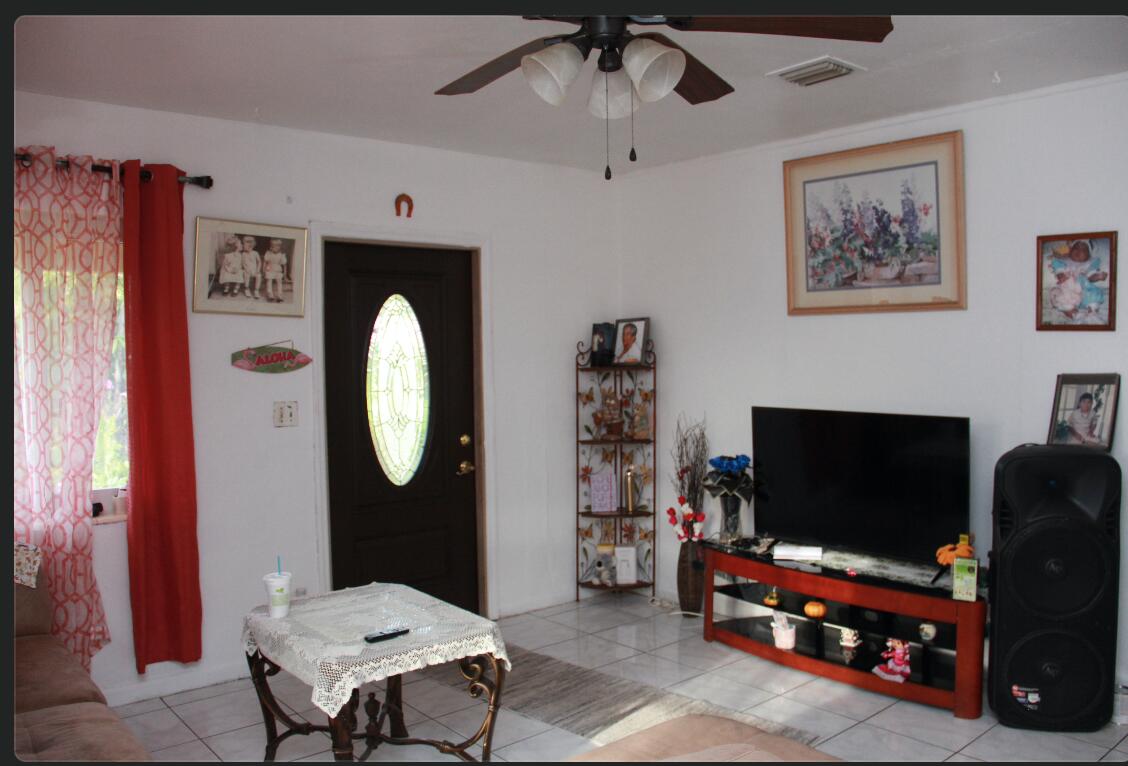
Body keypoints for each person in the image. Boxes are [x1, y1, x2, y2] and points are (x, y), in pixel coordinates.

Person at [1049, 240, 1109, 320]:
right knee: (1059, 297)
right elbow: (1058, 266)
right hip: (1068, 291)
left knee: (1093, 291)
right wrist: (1061, 275)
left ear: (1089, 255)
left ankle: (1092, 310)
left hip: (1084, 290)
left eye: (1083, 250)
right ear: (1070, 251)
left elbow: (1091, 277)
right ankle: (1074, 314)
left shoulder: (1090, 263)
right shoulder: (1064, 261)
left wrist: (1098, 276)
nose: (1078, 251)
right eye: (1076, 248)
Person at [262, 238, 287, 303]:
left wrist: (285, 273)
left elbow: (284, 264)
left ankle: (279, 296)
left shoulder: (281, 255)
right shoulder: (268, 253)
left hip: (278, 270)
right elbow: (265, 262)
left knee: (279, 283)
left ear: (279, 247)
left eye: (277, 246)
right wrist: (263, 270)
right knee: (269, 281)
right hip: (270, 268)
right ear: (271, 247)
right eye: (273, 246)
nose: (275, 248)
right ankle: (270, 295)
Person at [241, 235, 262, 299]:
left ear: (252, 246)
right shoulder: (243, 254)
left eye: (250, 246)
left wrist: (258, 270)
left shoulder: (255, 253)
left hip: (254, 270)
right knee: (246, 275)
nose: (244, 247)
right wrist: (244, 268)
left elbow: (259, 262)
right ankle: (247, 288)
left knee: (259, 276)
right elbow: (242, 263)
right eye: (244, 245)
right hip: (246, 270)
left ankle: (256, 290)